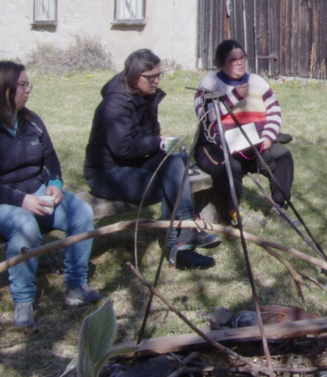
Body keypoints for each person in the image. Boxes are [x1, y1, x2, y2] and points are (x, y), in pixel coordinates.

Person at [0, 61, 101, 328]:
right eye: (22, 85)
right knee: (25, 224)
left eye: (28, 84)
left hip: (33, 192)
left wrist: (55, 183)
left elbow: (50, 159)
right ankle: (23, 301)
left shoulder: (31, 121)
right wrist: (22, 201)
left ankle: (76, 286)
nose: (28, 90)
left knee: (81, 212)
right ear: (2, 89)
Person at [85, 49, 221, 271]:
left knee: (176, 161)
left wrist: (167, 147)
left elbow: (149, 137)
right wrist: (158, 141)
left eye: (159, 75)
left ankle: (187, 227)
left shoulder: (146, 97)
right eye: (151, 77)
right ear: (134, 76)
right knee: (169, 184)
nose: (156, 81)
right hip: (107, 173)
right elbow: (123, 148)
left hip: (135, 163)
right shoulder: (114, 104)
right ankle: (179, 249)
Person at [194, 40, 294, 220]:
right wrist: (234, 97)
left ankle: (279, 206)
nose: (240, 63)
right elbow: (205, 115)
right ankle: (234, 211)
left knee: (282, 156)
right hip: (223, 146)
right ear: (221, 62)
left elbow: (274, 110)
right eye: (233, 60)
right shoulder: (210, 83)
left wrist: (268, 136)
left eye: (242, 58)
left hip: (255, 145)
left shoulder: (257, 81)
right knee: (228, 167)